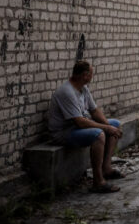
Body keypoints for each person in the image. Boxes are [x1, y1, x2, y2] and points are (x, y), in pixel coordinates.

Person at [48, 60, 124, 193]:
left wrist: (108, 125)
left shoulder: (83, 89)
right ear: (85, 75)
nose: (92, 77)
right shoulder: (67, 92)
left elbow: (94, 111)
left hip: (77, 127)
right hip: (64, 132)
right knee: (98, 134)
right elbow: (80, 122)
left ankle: (106, 169)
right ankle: (98, 182)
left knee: (115, 124)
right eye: (91, 74)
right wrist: (105, 129)